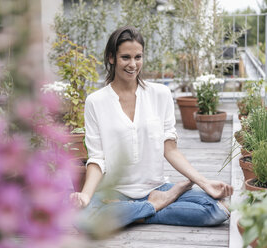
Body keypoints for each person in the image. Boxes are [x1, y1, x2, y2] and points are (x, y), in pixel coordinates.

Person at [69, 26, 233, 236]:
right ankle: (154, 206)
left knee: (216, 211)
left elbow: (170, 149)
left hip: (156, 186)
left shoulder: (160, 94)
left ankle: (137, 211)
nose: (133, 64)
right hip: (115, 193)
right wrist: (85, 195)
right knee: (84, 221)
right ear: (111, 58)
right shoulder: (95, 102)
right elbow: (97, 159)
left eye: (138, 57)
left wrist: (205, 182)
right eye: (125, 57)